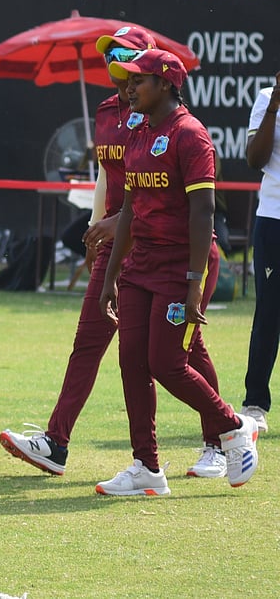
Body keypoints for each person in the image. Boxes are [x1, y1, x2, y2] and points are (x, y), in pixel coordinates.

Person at [0, 28, 227, 480]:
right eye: (110, 56)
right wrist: (97, 230)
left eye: (126, 57)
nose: (115, 65)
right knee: (92, 340)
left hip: (164, 246)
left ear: (153, 69)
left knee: (182, 353)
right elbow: (112, 179)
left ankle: (221, 440)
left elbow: (180, 204)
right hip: (121, 240)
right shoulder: (108, 112)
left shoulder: (173, 123)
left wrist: (122, 228)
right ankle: (59, 443)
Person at [96, 49, 260, 496]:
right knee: (131, 361)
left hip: (180, 265)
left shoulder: (191, 136)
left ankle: (233, 429)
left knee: (167, 363)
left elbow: (203, 212)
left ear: (167, 83)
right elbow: (129, 210)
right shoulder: (137, 132)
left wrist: (193, 283)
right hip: (140, 264)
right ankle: (146, 468)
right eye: (128, 81)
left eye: (139, 81)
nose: (129, 88)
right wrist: (110, 276)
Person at [241, 72, 280, 434]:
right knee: (269, 313)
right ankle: (255, 404)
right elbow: (255, 159)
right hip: (274, 219)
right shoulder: (268, 98)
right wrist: (275, 104)